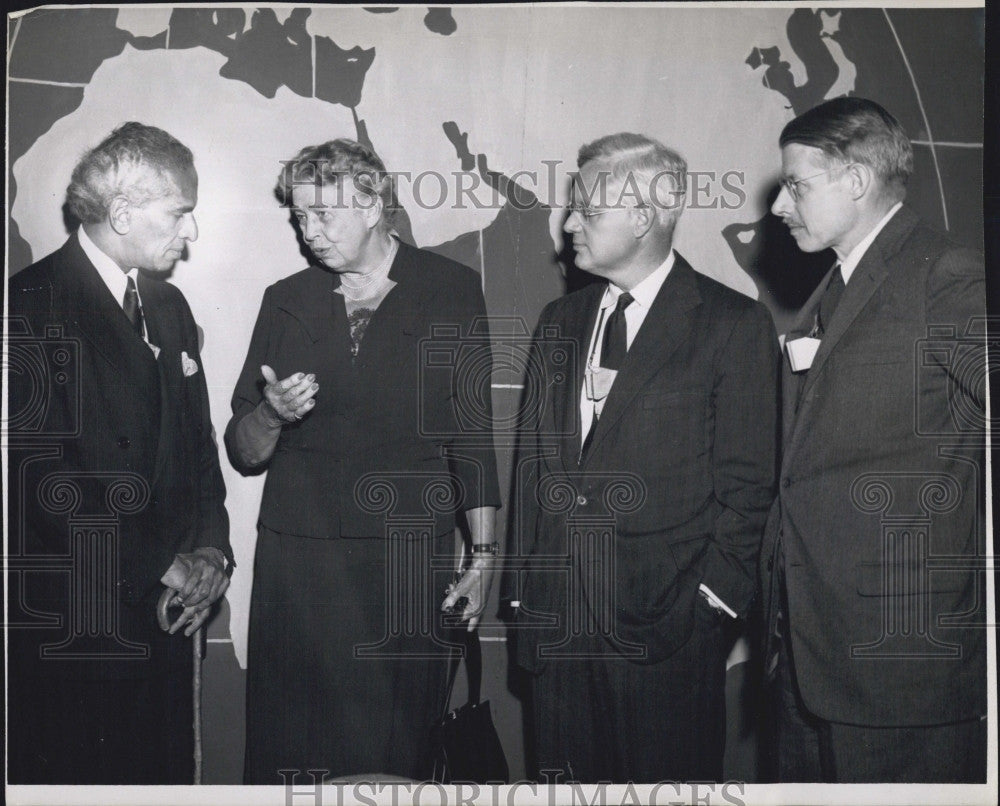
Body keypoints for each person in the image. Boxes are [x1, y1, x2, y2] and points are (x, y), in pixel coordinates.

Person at [227, 138, 501, 783]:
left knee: (392, 753)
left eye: (324, 214)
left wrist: (484, 557)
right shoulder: (286, 298)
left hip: (402, 565)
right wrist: (271, 414)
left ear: (374, 203)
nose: (309, 233)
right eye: (299, 218)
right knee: (291, 754)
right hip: (299, 567)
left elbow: (472, 436)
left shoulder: (450, 290)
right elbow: (242, 453)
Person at [509, 133, 779, 782]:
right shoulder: (558, 320)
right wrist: (523, 599)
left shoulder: (731, 324)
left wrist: (709, 603)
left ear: (642, 217)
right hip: (558, 634)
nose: (568, 224)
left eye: (586, 212)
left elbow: (750, 487)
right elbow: (532, 472)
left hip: (666, 639)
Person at [760, 97, 987, 782]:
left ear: (856, 181)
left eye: (797, 184)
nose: (778, 207)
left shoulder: (942, 272)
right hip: (810, 649)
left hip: (896, 662)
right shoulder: (839, 284)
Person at [7, 122, 232, 784]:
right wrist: (163, 564)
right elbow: (45, 481)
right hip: (81, 625)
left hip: (169, 617)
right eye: (180, 213)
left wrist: (213, 555)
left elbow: (200, 451)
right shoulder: (29, 304)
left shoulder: (169, 305)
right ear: (125, 212)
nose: (191, 233)